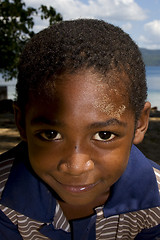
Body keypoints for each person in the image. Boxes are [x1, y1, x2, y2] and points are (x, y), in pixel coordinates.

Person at [0, 19, 160, 240]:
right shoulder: (4, 196)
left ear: (140, 123)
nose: (76, 167)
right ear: (21, 123)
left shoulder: (156, 202)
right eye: (51, 134)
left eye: (104, 135)